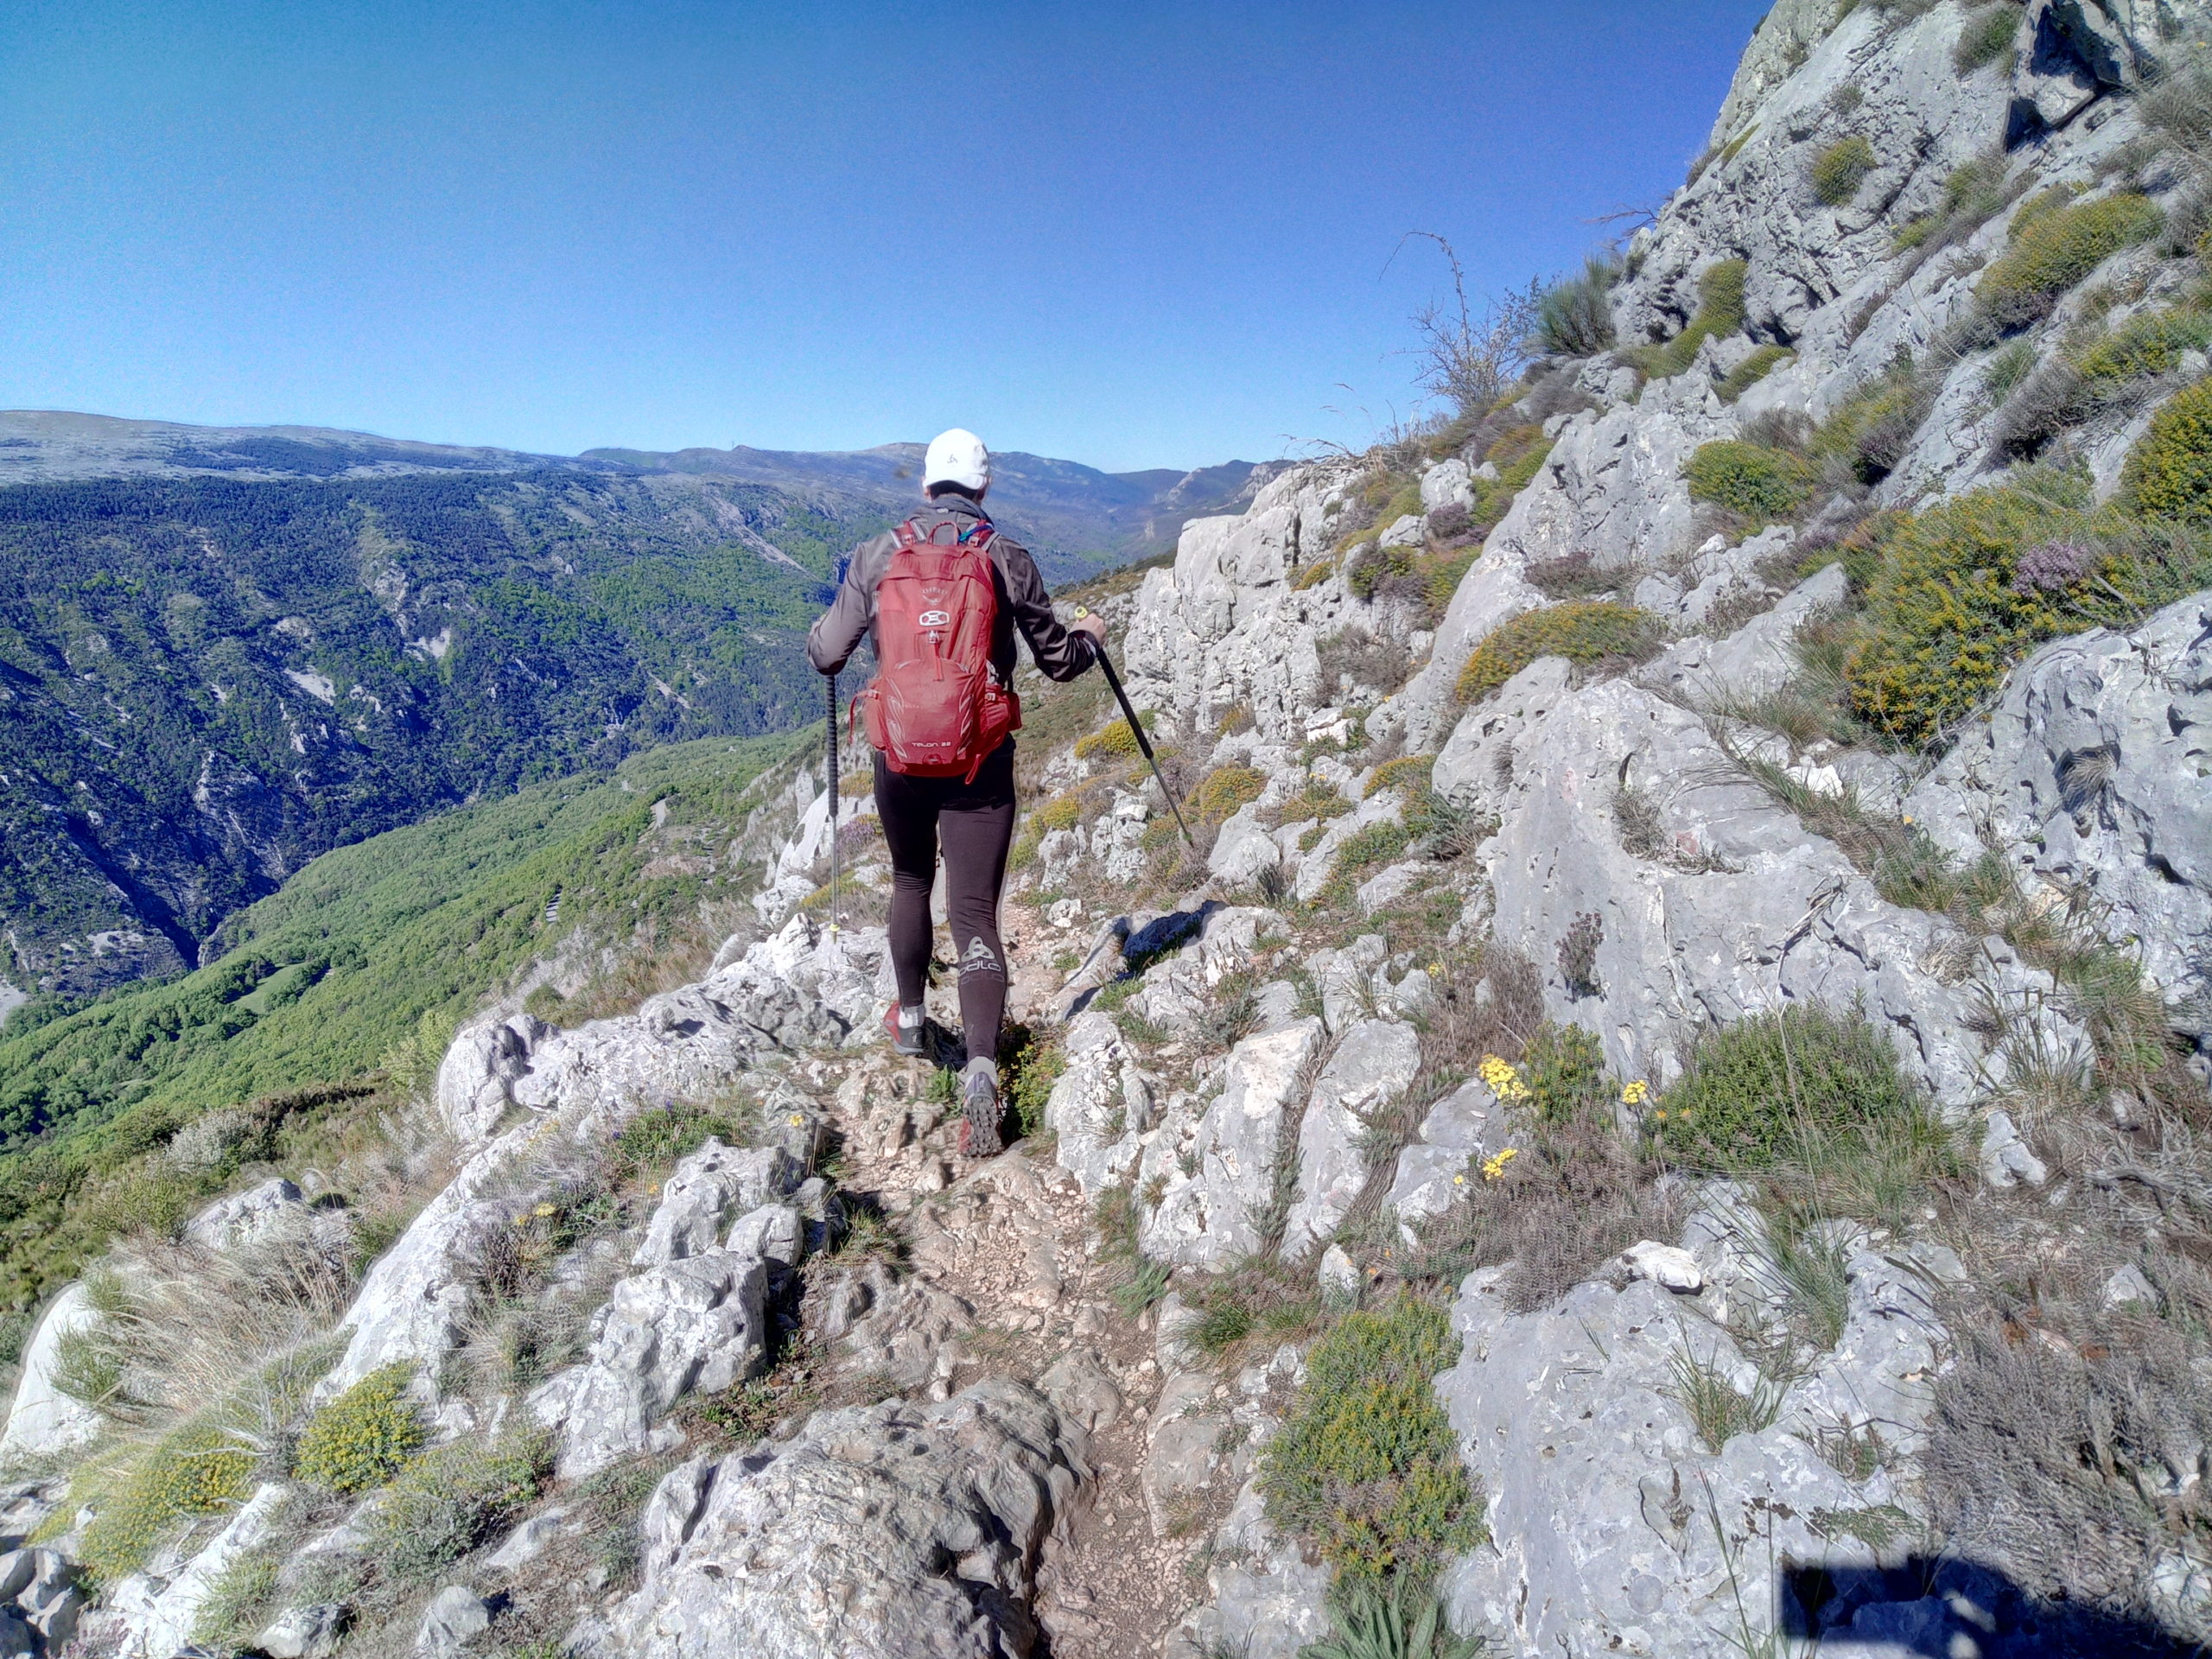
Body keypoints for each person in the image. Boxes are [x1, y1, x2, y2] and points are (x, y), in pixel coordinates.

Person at [807, 428, 1106, 1156]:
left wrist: (837, 623)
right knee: (973, 912)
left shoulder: (878, 554)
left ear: (925, 486)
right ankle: (981, 1070)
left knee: (912, 880)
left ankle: (910, 1023)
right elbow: (1061, 662)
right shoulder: (1006, 556)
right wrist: (1093, 633)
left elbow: (826, 655)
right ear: (984, 486)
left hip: (901, 760)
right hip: (981, 762)